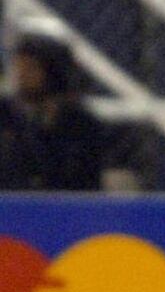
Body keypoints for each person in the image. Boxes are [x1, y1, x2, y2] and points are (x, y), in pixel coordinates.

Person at [0, 34, 104, 190]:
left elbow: (81, 178)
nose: (22, 76)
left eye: (31, 68)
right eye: (19, 67)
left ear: (53, 73)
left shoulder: (80, 122)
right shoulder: (7, 115)